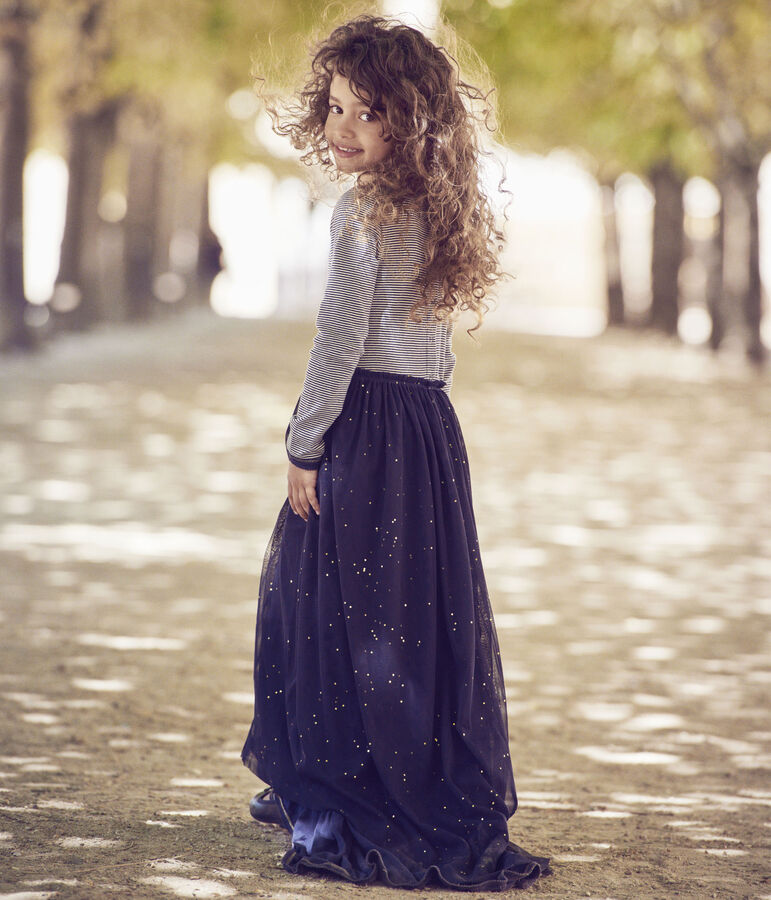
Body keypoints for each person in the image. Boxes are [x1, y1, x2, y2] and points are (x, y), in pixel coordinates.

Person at [241, 13, 553, 891]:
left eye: (367, 112)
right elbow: (435, 349)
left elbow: (339, 340)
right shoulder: (438, 209)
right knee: (411, 616)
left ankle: (341, 782)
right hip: (425, 431)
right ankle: (391, 770)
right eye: (337, 107)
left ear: (408, 121)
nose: (343, 128)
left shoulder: (360, 212)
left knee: (327, 607)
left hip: (364, 427)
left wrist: (304, 441)